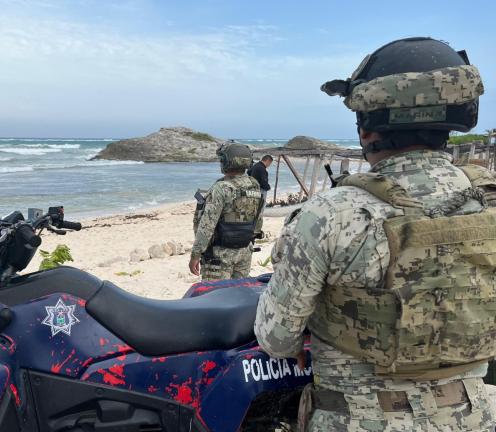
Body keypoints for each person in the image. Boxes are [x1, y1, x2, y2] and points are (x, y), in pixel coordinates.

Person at [254, 37, 496, 431]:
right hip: (474, 417)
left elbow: (277, 337)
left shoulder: (329, 215)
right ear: (461, 115)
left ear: (367, 129)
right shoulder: (488, 202)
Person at [189, 142, 263, 280]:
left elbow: (207, 225)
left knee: (215, 297)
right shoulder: (254, 184)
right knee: (238, 295)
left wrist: (196, 254)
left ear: (226, 161)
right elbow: (257, 220)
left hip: (219, 255)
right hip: (244, 251)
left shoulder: (221, 188)